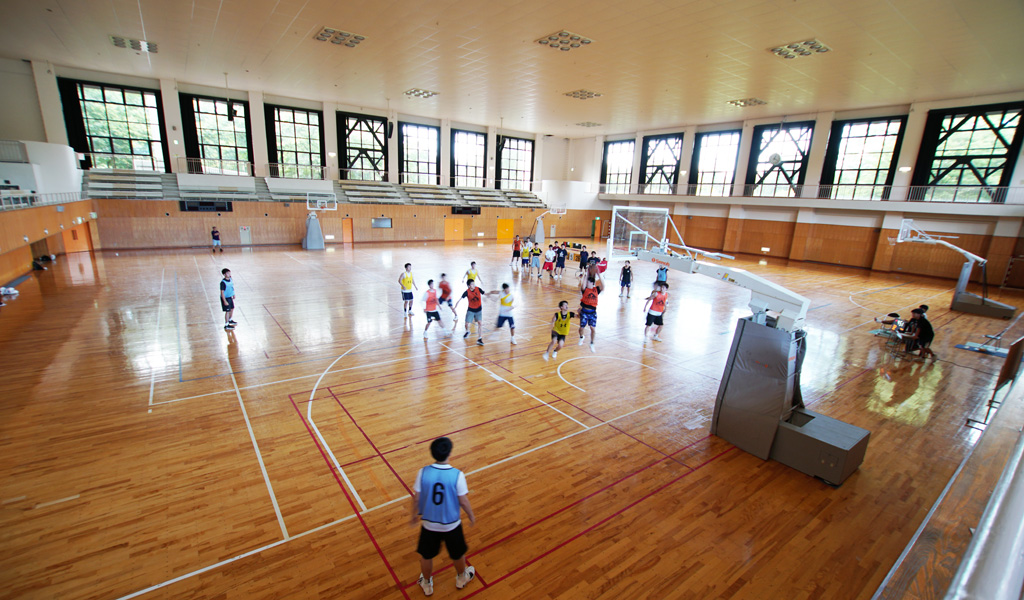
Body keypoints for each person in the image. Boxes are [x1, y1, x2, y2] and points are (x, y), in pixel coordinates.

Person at [411, 437, 477, 596]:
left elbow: (417, 498)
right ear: (450, 453)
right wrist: (471, 515)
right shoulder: (457, 475)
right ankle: (462, 577)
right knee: (458, 553)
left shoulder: (423, 472)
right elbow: (463, 500)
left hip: (429, 525)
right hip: (452, 524)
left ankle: (426, 583)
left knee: (426, 555)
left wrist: (413, 516)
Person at [454, 279, 485, 346]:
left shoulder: (478, 289)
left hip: (478, 309)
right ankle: (467, 331)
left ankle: (480, 338)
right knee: (466, 324)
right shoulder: (467, 292)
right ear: (469, 286)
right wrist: (456, 304)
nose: (473, 285)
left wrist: (491, 296)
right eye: (472, 284)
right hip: (471, 310)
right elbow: (460, 299)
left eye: (474, 284)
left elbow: (485, 293)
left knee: (480, 323)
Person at [577, 271, 603, 352]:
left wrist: (599, 275)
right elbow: (583, 285)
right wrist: (585, 274)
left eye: (589, 283)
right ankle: (581, 337)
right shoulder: (585, 290)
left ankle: (592, 343)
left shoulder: (596, 290)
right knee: (581, 328)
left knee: (593, 329)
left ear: (592, 284)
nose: (587, 284)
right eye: (587, 283)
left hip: (592, 312)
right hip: (584, 311)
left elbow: (603, 286)